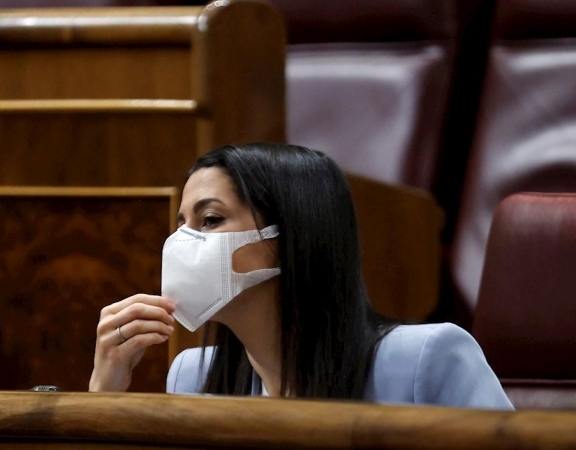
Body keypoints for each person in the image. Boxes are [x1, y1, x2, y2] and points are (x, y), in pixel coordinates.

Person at [90, 143, 513, 409]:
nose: (182, 242)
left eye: (210, 219)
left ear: (290, 237)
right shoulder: (193, 375)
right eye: (182, 224)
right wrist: (104, 393)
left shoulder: (426, 358)